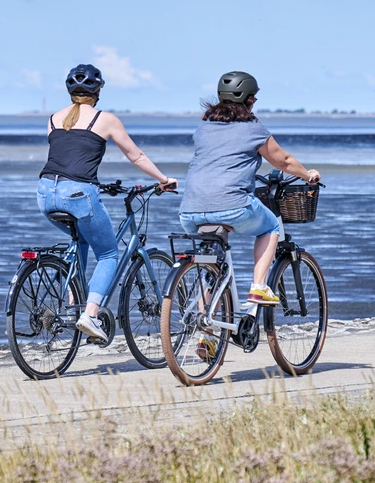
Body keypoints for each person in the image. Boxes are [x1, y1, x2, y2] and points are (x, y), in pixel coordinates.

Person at [37, 64, 177, 341]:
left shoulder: (53, 118)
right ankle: (89, 315)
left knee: (82, 240)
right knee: (109, 254)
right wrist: (163, 179)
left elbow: (68, 156)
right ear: (98, 91)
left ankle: (73, 298)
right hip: (78, 194)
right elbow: (136, 156)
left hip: (44, 193)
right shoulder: (106, 119)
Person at [181, 71, 320, 306]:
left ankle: (205, 332)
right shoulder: (252, 128)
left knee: (214, 266)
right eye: (253, 98)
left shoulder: (204, 126)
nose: (254, 103)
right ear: (247, 100)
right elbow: (283, 161)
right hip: (232, 207)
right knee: (271, 226)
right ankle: (259, 287)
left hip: (189, 211)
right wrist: (308, 175)